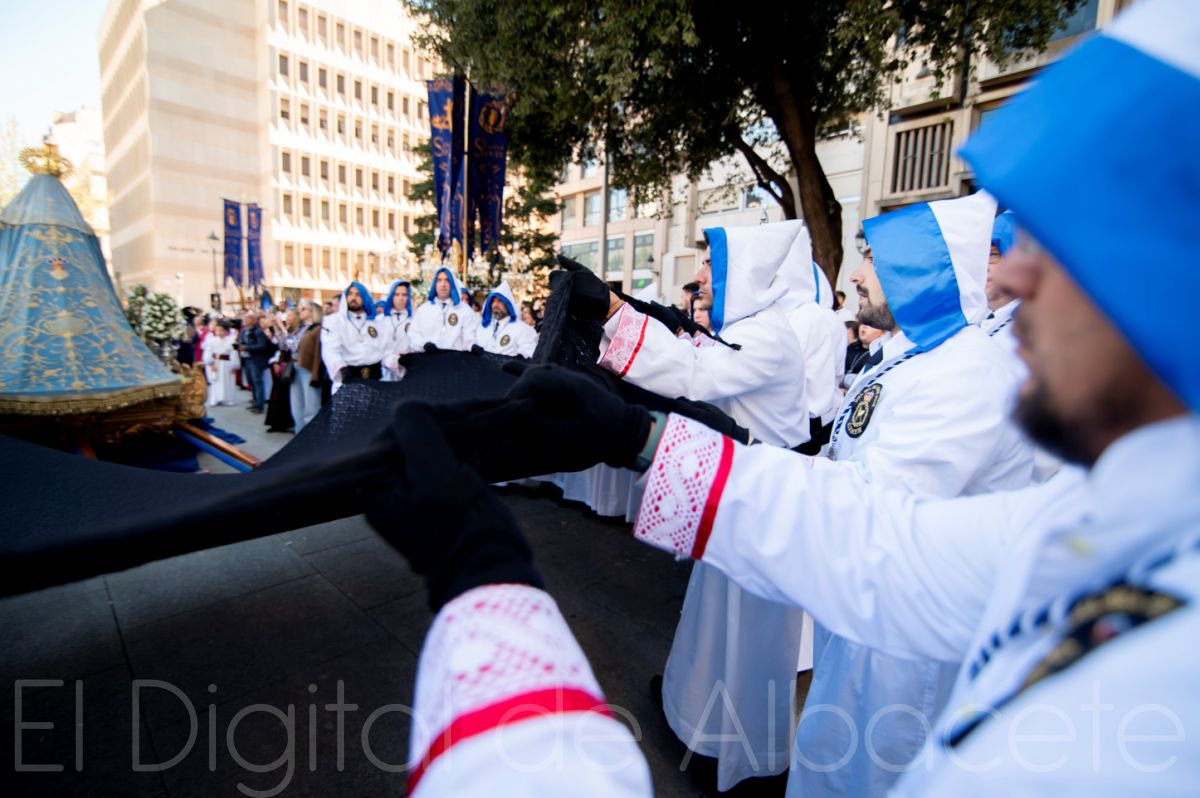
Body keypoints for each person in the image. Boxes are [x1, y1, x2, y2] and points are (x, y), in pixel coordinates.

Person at [460, 2, 1200, 792]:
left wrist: (477, 592)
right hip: (830, 579)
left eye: (1064, 239)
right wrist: (638, 440)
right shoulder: (1105, 512)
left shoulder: (964, 379)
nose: (1014, 275)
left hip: (891, 666)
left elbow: (860, 514)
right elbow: (885, 542)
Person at [576, 220, 810, 790]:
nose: (701, 274)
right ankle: (697, 724)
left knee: (750, 639)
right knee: (713, 619)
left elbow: (694, 374)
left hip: (765, 506)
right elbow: (691, 353)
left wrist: (615, 311)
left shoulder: (767, 335)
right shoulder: (747, 328)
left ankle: (747, 762)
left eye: (711, 264)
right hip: (740, 492)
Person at [778, 237, 847, 454]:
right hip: (811, 416)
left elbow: (816, 386)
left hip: (810, 420)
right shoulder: (811, 317)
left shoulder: (814, 318)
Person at [320, 282, 388, 394]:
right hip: (347, 378)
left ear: (365, 298)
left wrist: (396, 361)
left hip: (374, 380)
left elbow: (386, 350)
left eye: (358, 294)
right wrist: (341, 368)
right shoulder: (334, 321)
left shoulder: (376, 324)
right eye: (350, 294)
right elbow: (330, 350)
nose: (353, 298)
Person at [410, 267, 478, 351]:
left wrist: (472, 346)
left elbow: (469, 337)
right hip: (429, 356)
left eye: (447, 280)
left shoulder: (464, 310)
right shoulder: (423, 310)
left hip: (455, 357)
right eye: (439, 280)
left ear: (452, 284)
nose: (443, 284)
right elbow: (414, 334)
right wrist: (424, 344)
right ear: (435, 284)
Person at [474, 280, 537, 357]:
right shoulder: (483, 328)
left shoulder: (524, 330)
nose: (495, 305)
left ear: (508, 304)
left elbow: (528, 354)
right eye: (493, 301)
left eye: (500, 301)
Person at [290, 300, 322, 431]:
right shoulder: (299, 328)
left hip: (308, 368)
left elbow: (318, 354)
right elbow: (288, 345)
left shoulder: (318, 329)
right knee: (296, 404)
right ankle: (299, 432)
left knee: (311, 405)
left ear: (312, 311)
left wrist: (316, 374)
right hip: (295, 366)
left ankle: (310, 435)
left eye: (303, 309)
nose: (300, 311)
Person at [237, 310, 276, 413]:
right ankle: (255, 400)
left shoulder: (258, 331)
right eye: (245, 318)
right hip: (246, 359)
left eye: (248, 318)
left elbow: (262, 345)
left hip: (255, 360)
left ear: (254, 320)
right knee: (251, 381)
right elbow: (241, 341)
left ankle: (259, 404)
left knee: (257, 381)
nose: (245, 320)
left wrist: (246, 348)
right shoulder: (244, 331)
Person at [379, 279, 413, 382]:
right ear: (391, 296)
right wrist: (392, 360)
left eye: (404, 295)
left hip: (407, 371)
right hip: (384, 372)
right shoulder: (380, 320)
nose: (401, 298)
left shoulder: (414, 320)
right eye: (397, 294)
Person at [201, 321, 239, 406]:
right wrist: (211, 364)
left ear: (226, 331)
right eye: (217, 330)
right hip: (216, 363)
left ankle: (228, 399)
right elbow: (208, 352)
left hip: (227, 363)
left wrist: (234, 366)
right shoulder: (211, 341)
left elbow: (234, 353)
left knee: (228, 381)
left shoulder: (232, 341)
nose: (219, 332)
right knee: (216, 381)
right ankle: (216, 399)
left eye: (221, 330)